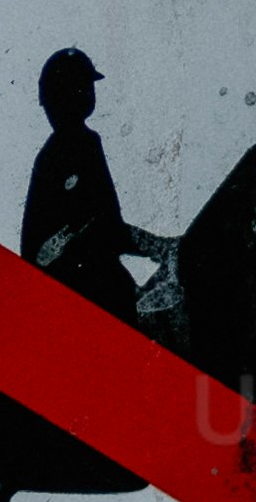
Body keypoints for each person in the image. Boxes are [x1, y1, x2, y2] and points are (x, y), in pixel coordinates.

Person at [17, 47, 156, 331]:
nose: (86, 94)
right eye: (81, 87)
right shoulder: (73, 147)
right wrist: (158, 246)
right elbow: (106, 227)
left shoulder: (66, 148)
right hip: (84, 289)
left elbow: (105, 222)